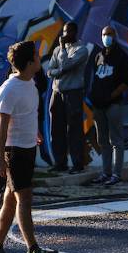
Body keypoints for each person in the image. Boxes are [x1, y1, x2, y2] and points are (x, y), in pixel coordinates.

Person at [0, 41, 58, 253]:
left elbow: (27, 113)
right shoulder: (8, 90)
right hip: (14, 151)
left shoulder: (31, 84)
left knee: (9, 201)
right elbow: (2, 127)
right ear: (29, 63)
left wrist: (35, 131)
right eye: (36, 56)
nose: (39, 58)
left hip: (27, 149)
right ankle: (33, 251)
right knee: (24, 199)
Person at [89, 26, 128, 187]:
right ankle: (105, 172)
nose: (106, 37)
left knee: (116, 140)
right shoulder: (98, 56)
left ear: (115, 36)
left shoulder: (121, 56)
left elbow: (127, 81)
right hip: (98, 105)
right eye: (103, 34)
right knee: (102, 141)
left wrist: (111, 96)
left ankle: (116, 174)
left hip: (113, 104)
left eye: (109, 34)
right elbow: (95, 78)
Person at [46, 22, 89, 174]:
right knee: (56, 129)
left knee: (74, 130)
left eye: (68, 31)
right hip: (56, 92)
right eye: (64, 31)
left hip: (73, 93)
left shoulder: (81, 50)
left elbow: (66, 65)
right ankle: (60, 162)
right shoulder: (57, 49)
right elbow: (49, 71)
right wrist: (59, 71)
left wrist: (63, 51)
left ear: (75, 32)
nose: (65, 35)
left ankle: (77, 164)